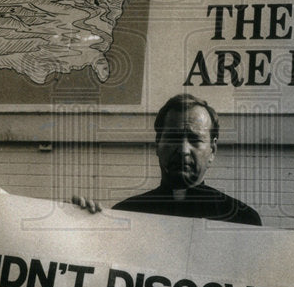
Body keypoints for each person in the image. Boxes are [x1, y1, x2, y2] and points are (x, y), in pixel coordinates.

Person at [96, 93, 262, 225]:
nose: (183, 150)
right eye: (173, 138)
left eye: (195, 139)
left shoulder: (242, 220)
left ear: (212, 150)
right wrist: (84, 226)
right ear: (157, 144)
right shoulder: (125, 215)